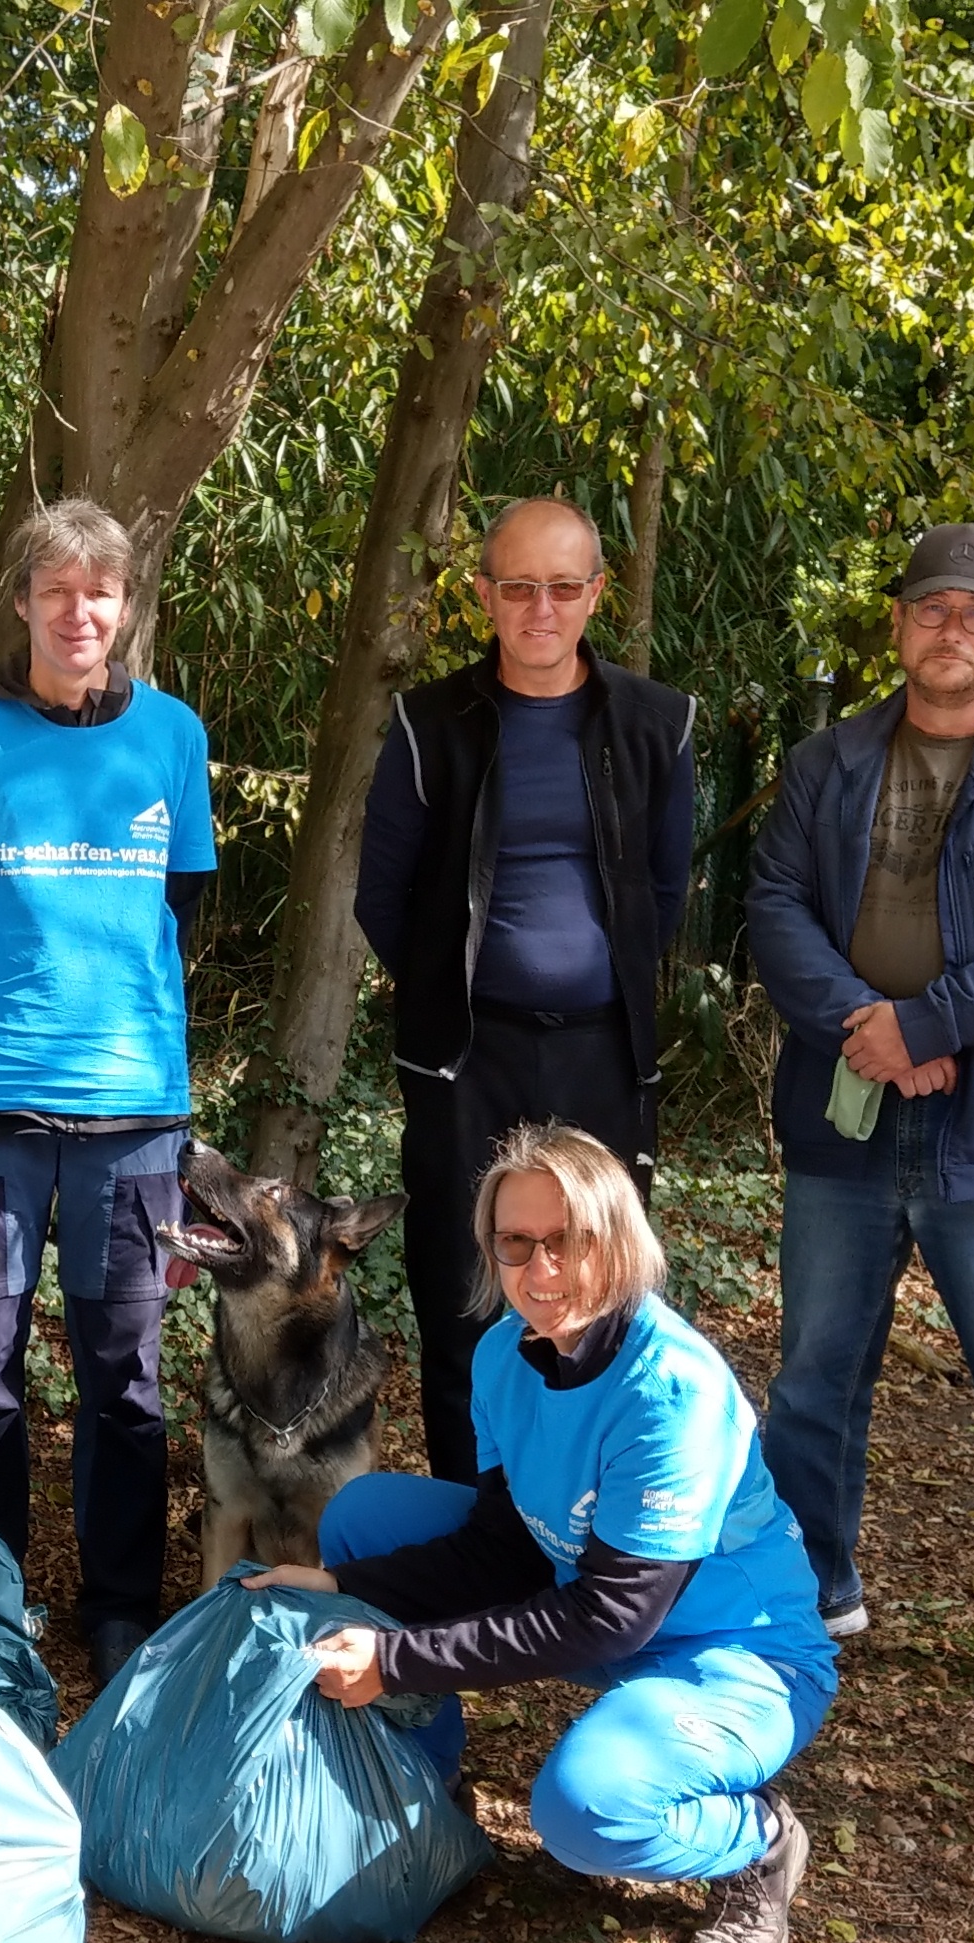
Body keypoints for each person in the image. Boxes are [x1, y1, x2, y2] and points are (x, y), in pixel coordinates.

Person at [241, 1124, 833, 1943]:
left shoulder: (673, 1392)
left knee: (585, 1813)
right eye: (514, 1243)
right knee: (367, 1516)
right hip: (583, 1591)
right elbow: (504, 1547)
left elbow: (613, 1616)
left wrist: (396, 1660)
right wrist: (342, 1581)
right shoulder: (502, 1357)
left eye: (568, 1241)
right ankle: (423, 1783)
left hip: (732, 1654)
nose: (540, 1270)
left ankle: (758, 1842)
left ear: (617, 1240)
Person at [744, 522, 974, 1728]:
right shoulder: (828, 762)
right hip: (844, 1118)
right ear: (900, 624)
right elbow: (773, 905)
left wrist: (932, 1023)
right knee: (813, 1381)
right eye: (931, 608)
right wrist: (865, 1025)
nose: (950, 629)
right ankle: (809, 1592)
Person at [0, 497, 217, 1686]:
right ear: (22, 602)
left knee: (125, 1377)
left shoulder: (172, 735)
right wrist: (4, 1006)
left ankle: (119, 1603)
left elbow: (181, 903)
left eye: (100, 592)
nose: (79, 612)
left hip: (133, 1113)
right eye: (57, 590)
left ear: (124, 607)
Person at [353, 496, 698, 1485]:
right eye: (517, 587)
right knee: (465, 1291)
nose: (539, 609)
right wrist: (453, 996)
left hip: (600, 1054)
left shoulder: (656, 723)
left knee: (595, 1283)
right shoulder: (431, 724)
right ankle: (474, 1516)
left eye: (561, 587)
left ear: (596, 594)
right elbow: (384, 895)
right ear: (484, 595)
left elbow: (663, 891)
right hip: (469, 1059)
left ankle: (583, 1515)